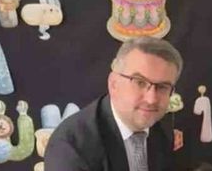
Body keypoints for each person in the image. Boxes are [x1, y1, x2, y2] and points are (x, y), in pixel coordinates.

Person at [44, 37, 182, 171]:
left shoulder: (162, 126)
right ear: (114, 84)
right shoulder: (70, 146)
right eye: (140, 82)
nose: (151, 99)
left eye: (163, 87)